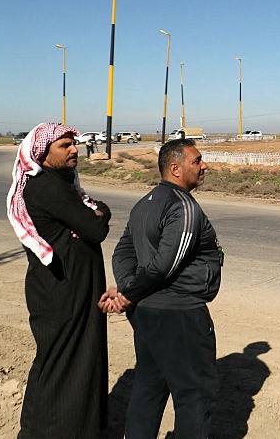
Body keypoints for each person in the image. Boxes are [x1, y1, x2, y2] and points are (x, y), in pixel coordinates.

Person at [102, 138, 223, 439]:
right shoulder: (183, 207)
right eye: (197, 161)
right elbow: (164, 265)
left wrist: (128, 292)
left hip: (147, 313)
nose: (204, 166)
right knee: (194, 395)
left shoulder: (145, 203)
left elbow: (123, 253)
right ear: (175, 168)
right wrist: (128, 294)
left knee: (149, 388)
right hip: (180, 316)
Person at [7, 123, 112, 438]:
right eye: (64, 145)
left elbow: (97, 214)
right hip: (61, 291)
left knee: (79, 359)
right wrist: (94, 217)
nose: (74, 150)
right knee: (61, 362)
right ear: (42, 153)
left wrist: (97, 213)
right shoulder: (48, 187)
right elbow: (96, 229)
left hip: (72, 288)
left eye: (73, 144)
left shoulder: (63, 184)